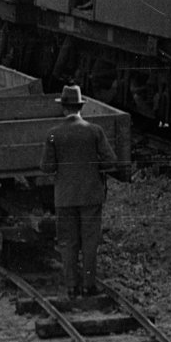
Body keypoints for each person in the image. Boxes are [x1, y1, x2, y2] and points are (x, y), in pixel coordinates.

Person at [41, 84, 119, 298]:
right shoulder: (95, 131)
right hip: (91, 195)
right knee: (90, 242)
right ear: (80, 107)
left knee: (68, 242)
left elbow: (46, 167)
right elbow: (111, 161)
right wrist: (94, 168)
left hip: (64, 197)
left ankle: (71, 287)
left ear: (63, 108)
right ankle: (88, 285)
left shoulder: (53, 134)